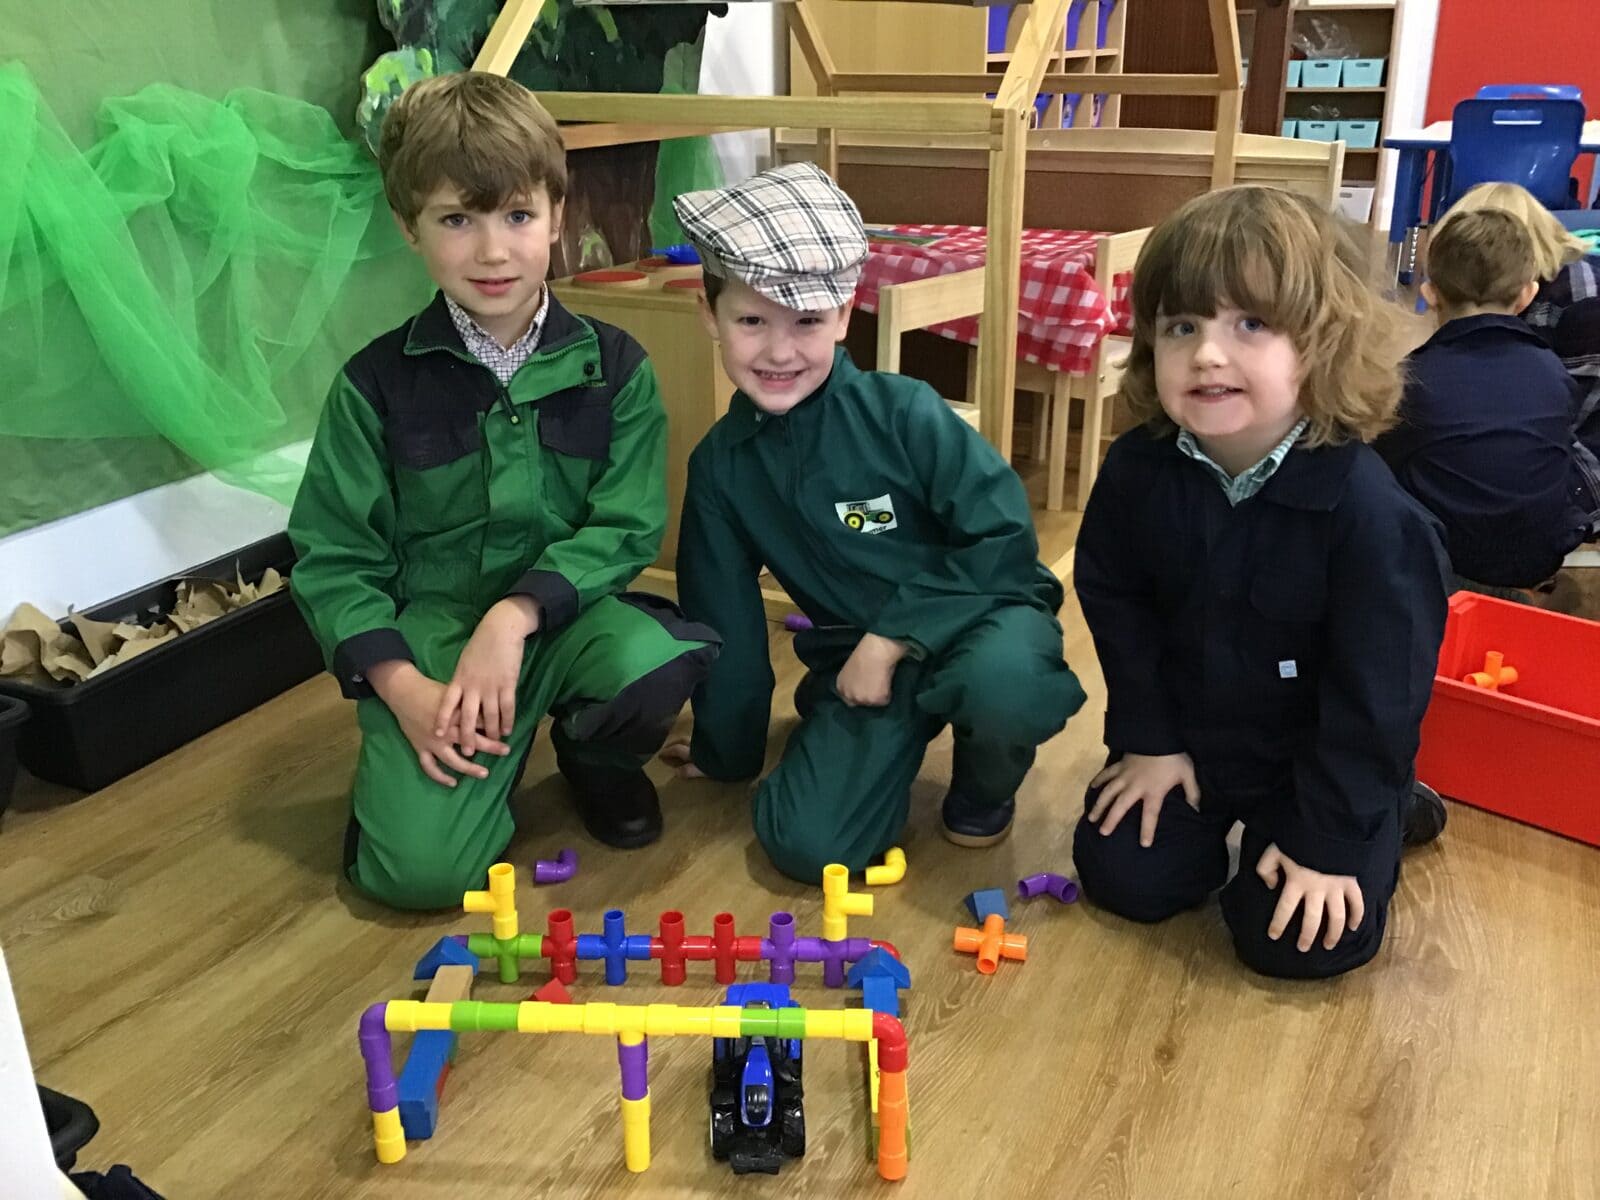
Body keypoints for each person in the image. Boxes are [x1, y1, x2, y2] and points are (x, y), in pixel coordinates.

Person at [287, 72, 717, 909]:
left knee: (654, 664)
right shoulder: (372, 386)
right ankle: (404, 798)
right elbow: (335, 558)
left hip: (564, 619)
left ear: (559, 214)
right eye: (458, 219)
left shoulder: (617, 365)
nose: (492, 251)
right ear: (411, 229)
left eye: (518, 215)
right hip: (436, 642)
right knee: (418, 879)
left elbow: (627, 526)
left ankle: (593, 757)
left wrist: (515, 615)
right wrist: (401, 685)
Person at [662, 162, 1085, 882]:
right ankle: (850, 739)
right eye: (751, 320)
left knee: (1005, 682)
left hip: (980, 618)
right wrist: (723, 751)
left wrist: (893, 638)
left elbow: (1004, 541)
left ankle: (984, 792)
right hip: (855, 666)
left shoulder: (906, 411)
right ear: (710, 315)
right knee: (805, 845)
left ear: (846, 312)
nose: (779, 350)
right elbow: (724, 626)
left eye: (807, 321)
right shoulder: (721, 469)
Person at [1072, 186, 1449, 980]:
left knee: (1296, 942)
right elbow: (1115, 601)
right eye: (1183, 326)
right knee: (1128, 879)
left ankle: (1390, 812)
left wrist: (1333, 840)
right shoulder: (1139, 469)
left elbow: (1379, 697)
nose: (1208, 353)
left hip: (1315, 762)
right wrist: (1149, 739)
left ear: (1323, 344)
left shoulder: (1370, 515)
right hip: (1193, 741)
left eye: (1250, 324)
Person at [1376, 208, 1594, 595]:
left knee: (1374, 464)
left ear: (1429, 292)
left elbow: (1381, 466)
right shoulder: (1552, 371)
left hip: (1446, 560)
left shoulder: (1413, 378)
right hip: (1536, 557)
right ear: (1527, 294)